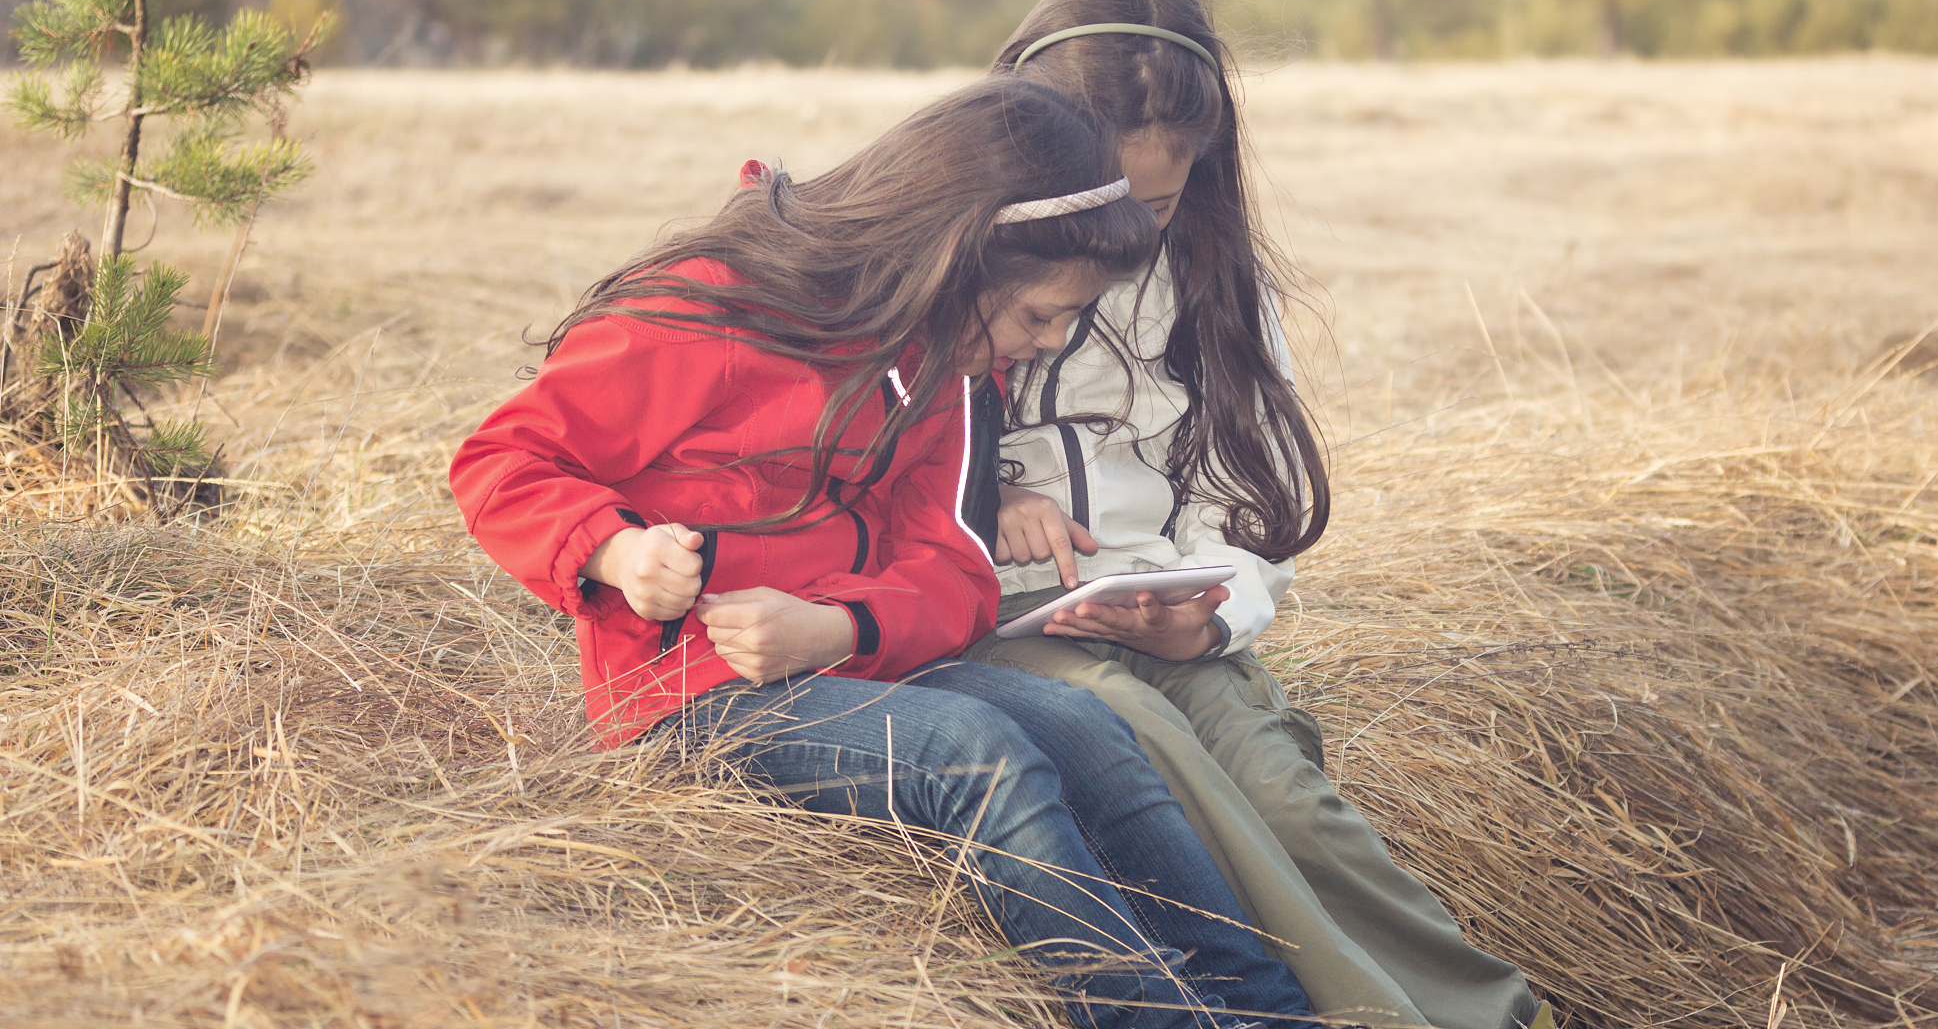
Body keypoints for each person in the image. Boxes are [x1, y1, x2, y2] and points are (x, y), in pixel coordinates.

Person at [450, 77, 1320, 1029]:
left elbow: (955, 570)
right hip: (687, 694)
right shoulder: (720, 308)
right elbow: (503, 461)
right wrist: (618, 553)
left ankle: (1273, 1014)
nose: (1050, 342)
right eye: (1041, 316)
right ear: (958, 254)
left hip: (856, 666)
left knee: (1087, 729)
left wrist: (835, 629)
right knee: (973, 753)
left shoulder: (949, 366)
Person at [975, 0, 1549, 1029]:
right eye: (1105, 195)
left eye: (1157, 200)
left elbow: (1247, 501)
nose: (1130, 230)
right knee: (1149, 747)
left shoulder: (1212, 283)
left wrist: (1209, 616)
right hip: (994, 617)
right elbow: (882, 450)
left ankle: (1497, 1016)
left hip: (1162, 611)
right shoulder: (958, 257)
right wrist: (982, 499)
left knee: (1286, 798)